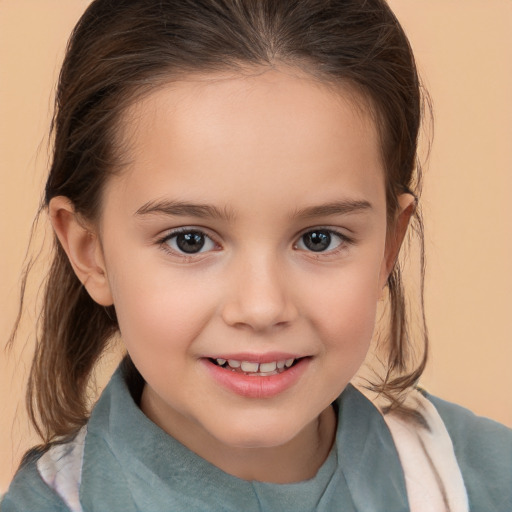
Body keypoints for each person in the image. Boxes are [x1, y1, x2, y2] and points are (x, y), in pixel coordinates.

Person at [2, 0, 511, 510]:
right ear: (90, 252)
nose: (263, 307)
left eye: (319, 239)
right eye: (190, 240)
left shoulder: (485, 479)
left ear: (387, 247)